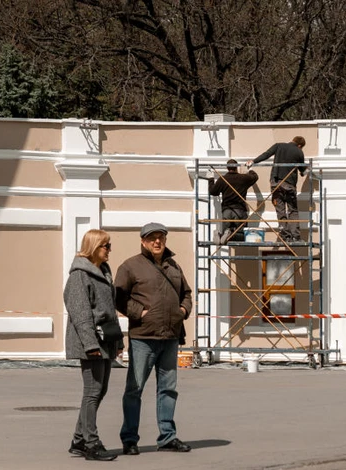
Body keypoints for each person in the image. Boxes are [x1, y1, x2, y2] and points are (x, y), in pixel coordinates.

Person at [115, 222, 193, 455]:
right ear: (143, 241)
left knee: (168, 389)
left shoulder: (173, 266)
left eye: (161, 237)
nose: (157, 242)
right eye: (152, 238)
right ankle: (129, 439)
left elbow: (187, 294)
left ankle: (167, 437)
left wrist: (182, 311)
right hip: (143, 338)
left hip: (170, 336)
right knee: (134, 389)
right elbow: (118, 297)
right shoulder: (130, 266)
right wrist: (139, 312)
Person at [64, 229, 123, 461]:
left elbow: (111, 312)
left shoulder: (103, 272)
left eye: (109, 245)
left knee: (100, 390)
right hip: (91, 343)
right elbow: (80, 314)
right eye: (105, 246)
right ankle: (91, 443)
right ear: (93, 247)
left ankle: (79, 440)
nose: (109, 250)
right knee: (92, 391)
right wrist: (90, 345)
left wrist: (118, 341)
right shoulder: (80, 275)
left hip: (105, 341)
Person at [246, 136, 308, 242]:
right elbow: (302, 170)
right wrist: (305, 171)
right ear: (300, 145)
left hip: (275, 184)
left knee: (281, 211)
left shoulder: (279, 146)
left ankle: (285, 236)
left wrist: (253, 161)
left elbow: (266, 154)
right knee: (293, 211)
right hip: (289, 185)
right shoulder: (299, 151)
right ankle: (296, 237)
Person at [209, 159, 258, 243]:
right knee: (242, 235)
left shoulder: (223, 179)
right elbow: (255, 177)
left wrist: (211, 179)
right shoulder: (243, 178)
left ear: (227, 168)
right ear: (237, 168)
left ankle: (221, 234)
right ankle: (228, 234)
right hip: (240, 211)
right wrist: (249, 170)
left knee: (225, 236)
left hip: (226, 211)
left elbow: (213, 191)